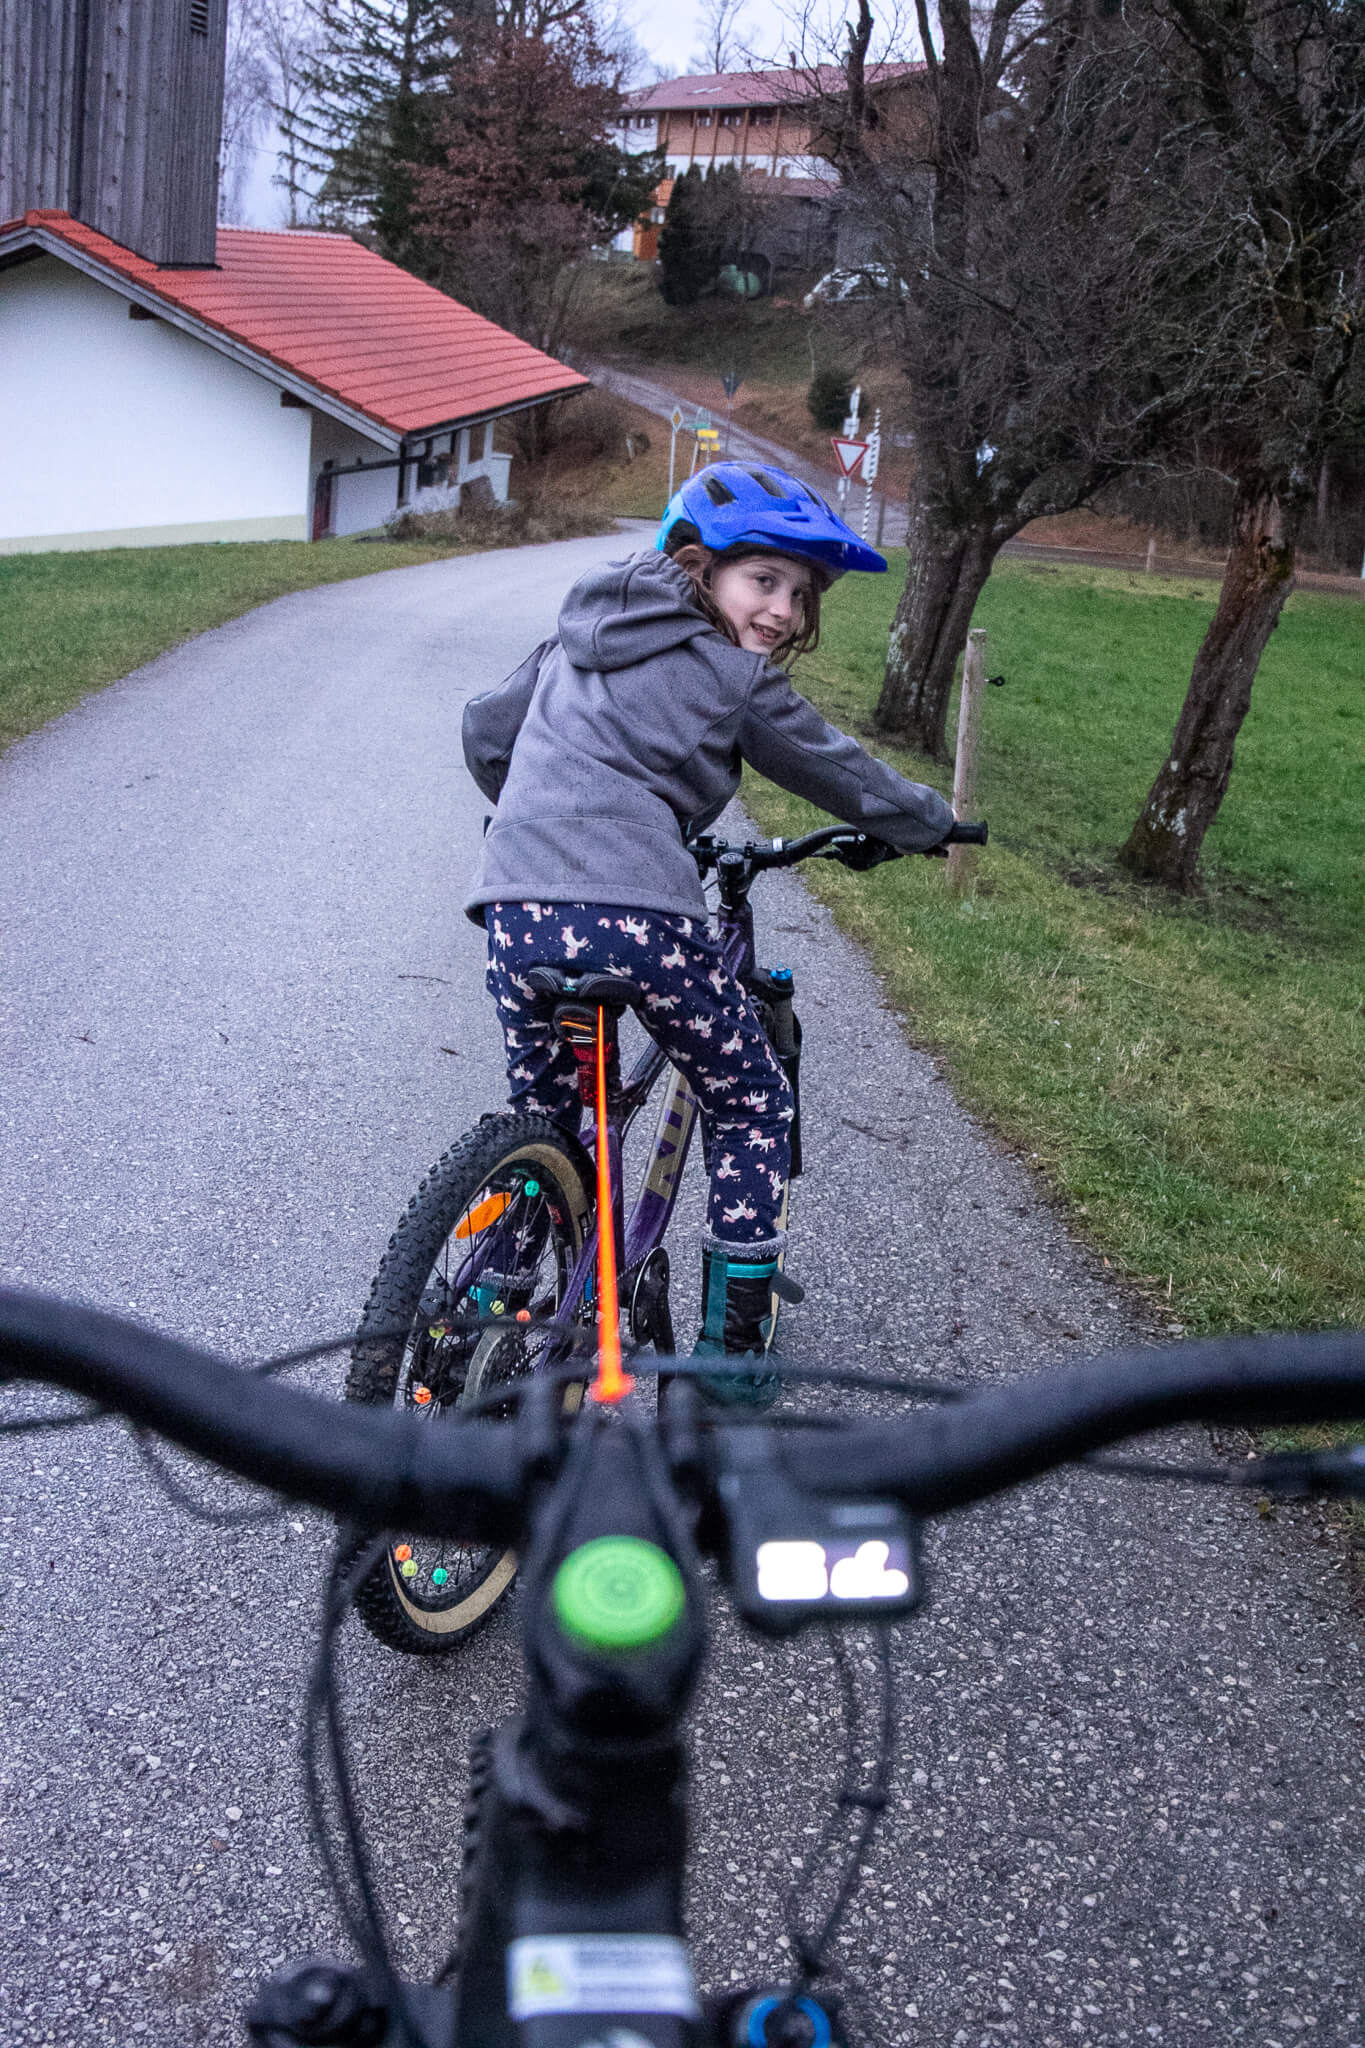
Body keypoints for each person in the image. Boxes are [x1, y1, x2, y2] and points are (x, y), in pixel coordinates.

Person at [462, 461, 954, 1401]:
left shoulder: (571, 637)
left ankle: (490, 1304)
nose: (782, 611)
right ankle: (729, 1370)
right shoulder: (730, 675)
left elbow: (488, 734)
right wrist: (928, 822)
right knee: (751, 1099)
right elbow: (836, 769)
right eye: (763, 580)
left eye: (800, 595)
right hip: (638, 915)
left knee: (556, 1120)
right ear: (697, 566)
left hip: (513, 910)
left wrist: (545, 816)